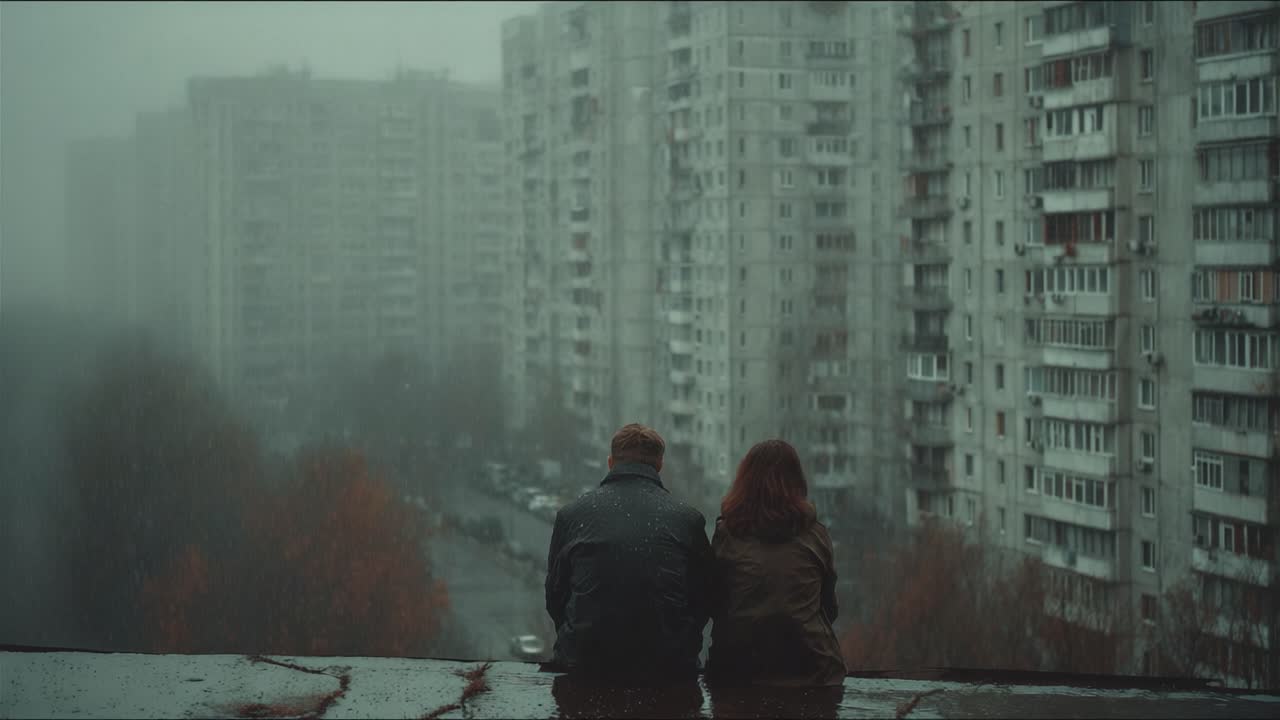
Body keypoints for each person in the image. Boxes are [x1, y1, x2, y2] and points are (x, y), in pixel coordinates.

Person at [544, 423, 714, 685]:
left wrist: (581, 634)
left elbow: (556, 596)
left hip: (585, 663)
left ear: (610, 462)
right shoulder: (687, 520)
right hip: (668, 666)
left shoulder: (572, 515)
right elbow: (703, 597)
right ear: (659, 465)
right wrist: (679, 636)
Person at [705, 439, 847, 688]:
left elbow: (714, 603)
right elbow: (828, 607)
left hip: (737, 670)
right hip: (813, 670)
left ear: (745, 481)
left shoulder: (727, 534)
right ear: (796, 481)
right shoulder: (816, 534)